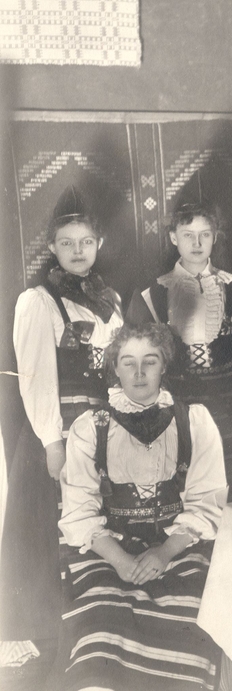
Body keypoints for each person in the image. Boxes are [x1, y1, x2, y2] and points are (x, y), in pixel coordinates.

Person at [58, 323, 227, 691]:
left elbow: (206, 502)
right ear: (115, 368)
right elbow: (79, 512)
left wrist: (164, 553)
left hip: (177, 547)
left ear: (164, 365)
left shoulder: (194, 421)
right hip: (109, 550)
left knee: (188, 613)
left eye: (149, 362)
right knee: (104, 619)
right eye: (128, 362)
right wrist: (121, 561)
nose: (139, 373)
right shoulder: (91, 427)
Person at [2, 192, 124, 668]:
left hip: (100, 430)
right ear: (52, 247)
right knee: (51, 529)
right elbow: (36, 377)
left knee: (94, 520)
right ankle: (47, 639)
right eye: (67, 243)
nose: (78, 251)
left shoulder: (109, 301)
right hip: (54, 433)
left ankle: (90, 627)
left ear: (99, 244)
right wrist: (52, 443)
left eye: (86, 242)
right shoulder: (38, 301)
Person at [126, 199, 232, 501]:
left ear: (214, 237)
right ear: (174, 238)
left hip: (231, 414)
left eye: (205, 235)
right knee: (184, 495)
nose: (197, 243)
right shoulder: (153, 295)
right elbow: (136, 361)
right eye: (188, 235)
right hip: (176, 416)